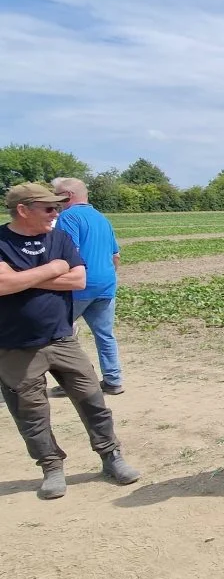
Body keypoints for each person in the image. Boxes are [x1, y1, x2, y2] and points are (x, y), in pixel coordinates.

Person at [0, 183, 140, 500]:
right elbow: (2, 285)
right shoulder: (1, 241)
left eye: (58, 207)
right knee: (31, 414)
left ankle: (111, 457)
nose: (56, 213)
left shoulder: (59, 237)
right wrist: (52, 268)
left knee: (93, 401)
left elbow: (78, 279)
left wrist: (23, 277)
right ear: (23, 209)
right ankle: (51, 468)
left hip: (63, 338)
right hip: (15, 346)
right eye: (49, 208)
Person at [48, 178, 124, 395]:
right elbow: (115, 256)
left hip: (80, 286)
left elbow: (69, 253)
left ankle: (74, 383)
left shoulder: (68, 217)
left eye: (57, 195)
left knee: (59, 334)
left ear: (68, 195)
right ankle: (113, 381)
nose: (55, 200)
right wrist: (106, 277)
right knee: (105, 335)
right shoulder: (102, 218)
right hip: (106, 285)